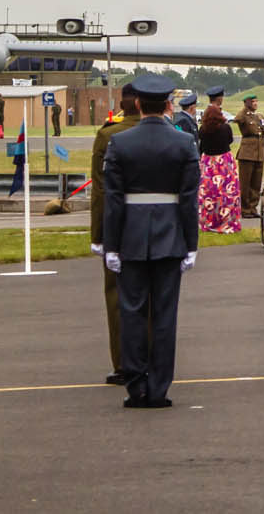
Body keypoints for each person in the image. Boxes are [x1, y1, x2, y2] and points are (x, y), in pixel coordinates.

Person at [98, 74, 200, 408]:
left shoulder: (120, 142)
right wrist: (191, 244)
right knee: (165, 315)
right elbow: (188, 200)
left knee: (132, 313)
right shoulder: (184, 143)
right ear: (169, 105)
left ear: (138, 104)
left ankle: (136, 385)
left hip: (130, 235)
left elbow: (113, 200)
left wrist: (110, 246)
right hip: (170, 235)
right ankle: (159, 388)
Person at [89, 81, 143, 384]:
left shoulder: (109, 135)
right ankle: (152, 358)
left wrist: (98, 235)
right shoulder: (173, 136)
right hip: (159, 228)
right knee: (154, 296)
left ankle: (124, 363)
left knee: (118, 296)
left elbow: (101, 191)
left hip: (119, 227)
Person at [196, 100, 242, 234]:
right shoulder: (225, 128)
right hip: (224, 162)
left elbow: (202, 146)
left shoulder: (202, 130)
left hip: (209, 163)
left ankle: (209, 221)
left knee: (209, 193)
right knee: (227, 194)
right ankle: (228, 221)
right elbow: (230, 141)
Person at [233, 93, 264, 218]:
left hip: (259, 152)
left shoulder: (258, 116)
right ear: (247, 102)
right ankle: (245, 209)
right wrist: (245, 108)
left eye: (256, 101)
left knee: (256, 183)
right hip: (247, 153)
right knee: (245, 183)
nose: (256, 104)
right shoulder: (244, 115)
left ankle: (253, 208)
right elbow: (237, 119)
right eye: (253, 101)